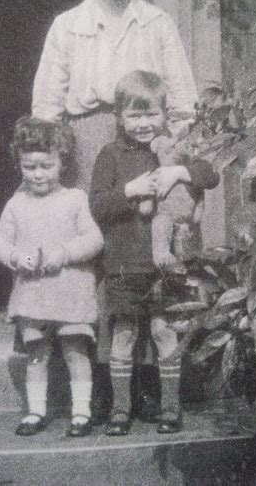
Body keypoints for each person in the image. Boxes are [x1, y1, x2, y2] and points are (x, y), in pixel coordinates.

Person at [31, 0, 199, 421]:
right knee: (97, 250)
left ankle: (147, 381)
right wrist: (56, 165)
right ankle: (99, 380)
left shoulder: (157, 22)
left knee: (146, 249)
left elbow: (184, 97)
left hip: (147, 139)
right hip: (87, 140)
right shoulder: (69, 23)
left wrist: (174, 160)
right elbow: (46, 102)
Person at [89, 71, 219, 435]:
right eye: (134, 115)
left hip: (170, 265)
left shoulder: (177, 149)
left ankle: (170, 408)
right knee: (125, 335)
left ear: (165, 113)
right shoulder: (110, 155)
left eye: (151, 114)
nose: (144, 124)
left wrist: (179, 171)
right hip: (125, 264)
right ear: (118, 116)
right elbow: (97, 206)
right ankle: (119, 409)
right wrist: (130, 189)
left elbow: (210, 176)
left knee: (165, 333)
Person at [0, 116, 103, 437]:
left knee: (75, 351)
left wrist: (63, 254)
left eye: (47, 166)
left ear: (61, 163)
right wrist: (16, 257)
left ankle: (81, 412)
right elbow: (0, 242)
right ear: (20, 166)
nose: (38, 174)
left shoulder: (75, 199)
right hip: (34, 294)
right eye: (30, 167)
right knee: (37, 354)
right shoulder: (16, 204)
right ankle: (36, 411)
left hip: (70, 291)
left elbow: (94, 240)